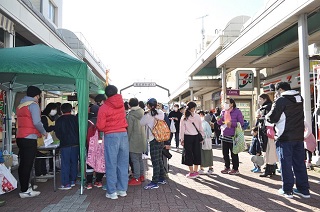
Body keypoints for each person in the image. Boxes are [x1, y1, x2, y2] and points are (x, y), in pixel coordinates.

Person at [266, 82, 310, 198]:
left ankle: (287, 190)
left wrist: (266, 115)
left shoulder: (281, 100)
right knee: (299, 163)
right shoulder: (299, 98)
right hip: (298, 136)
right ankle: (304, 190)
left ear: (280, 90)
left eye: (276, 91)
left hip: (284, 136)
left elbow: (272, 117)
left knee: (285, 164)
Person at [96, 85, 129, 199]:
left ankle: (112, 192)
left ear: (106, 95)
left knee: (111, 163)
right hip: (123, 134)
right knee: (123, 163)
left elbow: (100, 126)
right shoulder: (122, 105)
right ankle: (122, 189)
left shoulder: (103, 107)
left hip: (111, 135)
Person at [16, 85, 46, 198]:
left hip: (20, 137)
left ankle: (25, 185)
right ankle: (25, 190)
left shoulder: (20, 105)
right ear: (36, 95)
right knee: (27, 164)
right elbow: (37, 122)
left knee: (23, 164)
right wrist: (44, 132)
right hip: (30, 137)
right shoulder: (33, 105)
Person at [140, 98, 166, 189]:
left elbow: (141, 123)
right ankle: (162, 178)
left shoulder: (148, 115)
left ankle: (154, 182)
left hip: (153, 139)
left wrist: (146, 112)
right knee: (159, 159)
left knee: (155, 161)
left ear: (149, 106)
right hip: (161, 138)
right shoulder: (161, 113)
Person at [55, 103, 79, 190]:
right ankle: (73, 180)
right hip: (75, 143)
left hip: (65, 144)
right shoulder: (75, 119)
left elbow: (57, 133)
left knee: (65, 163)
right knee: (74, 163)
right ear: (71, 109)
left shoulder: (59, 120)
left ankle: (66, 183)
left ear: (61, 110)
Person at [217, 98, 244, 175]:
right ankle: (227, 167)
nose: (225, 104)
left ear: (232, 104)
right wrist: (219, 120)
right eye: (224, 102)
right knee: (225, 153)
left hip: (233, 135)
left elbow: (241, 123)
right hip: (224, 135)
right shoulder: (223, 111)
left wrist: (231, 124)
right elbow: (220, 123)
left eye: (227, 102)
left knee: (234, 153)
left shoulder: (237, 111)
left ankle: (235, 168)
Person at [180, 102, 204, 178]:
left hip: (187, 137)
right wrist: (202, 136)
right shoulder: (197, 116)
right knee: (197, 153)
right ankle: (196, 171)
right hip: (196, 137)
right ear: (193, 108)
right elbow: (200, 128)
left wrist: (182, 139)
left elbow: (182, 130)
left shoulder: (184, 117)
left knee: (188, 154)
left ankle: (191, 172)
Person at [35, 102, 58, 181]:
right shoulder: (44, 117)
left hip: (47, 140)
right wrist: (54, 127)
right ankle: (39, 174)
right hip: (41, 140)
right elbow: (45, 128)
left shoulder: (51, 117)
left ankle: (44, 173)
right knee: (39, 158)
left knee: (43, 157)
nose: (55, 111)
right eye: (54, 109)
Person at [256, 94, 278, 178]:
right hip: (266, 132)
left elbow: (269, 119)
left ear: (264, 99)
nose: (259, 101)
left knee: (268, 151)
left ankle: (269, 170)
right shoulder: (266, 107)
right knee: (268, 151)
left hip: (268, 132)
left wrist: (261, 117)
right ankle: (271, 169)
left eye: (260, 99)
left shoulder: (268, 107)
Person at [127, 98, 146, 186]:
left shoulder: (131, 115)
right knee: (139, 159)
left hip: (134, 140)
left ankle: (136, 178)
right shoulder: (142, 112)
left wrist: (127, 139)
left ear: (129, 105)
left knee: (135, 159)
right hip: (142, 139)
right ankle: (142, 176)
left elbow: (129, 130)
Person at [85, 105, 105, 189]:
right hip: (102, 145)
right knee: (101, 163)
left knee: (90, 163)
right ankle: (99, 181)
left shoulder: (88, 122)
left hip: (90, 146)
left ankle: (89, 183)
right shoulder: (103, 121)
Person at [198, 111, 214, 175]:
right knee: (200, 155)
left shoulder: (205, 123)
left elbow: (210, 133)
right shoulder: (197, 123)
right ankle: (201, 168)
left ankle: (210, 168)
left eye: (200, 115)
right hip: (200, 141)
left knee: (207, 154)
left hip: (206, 141)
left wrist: (203, 134)